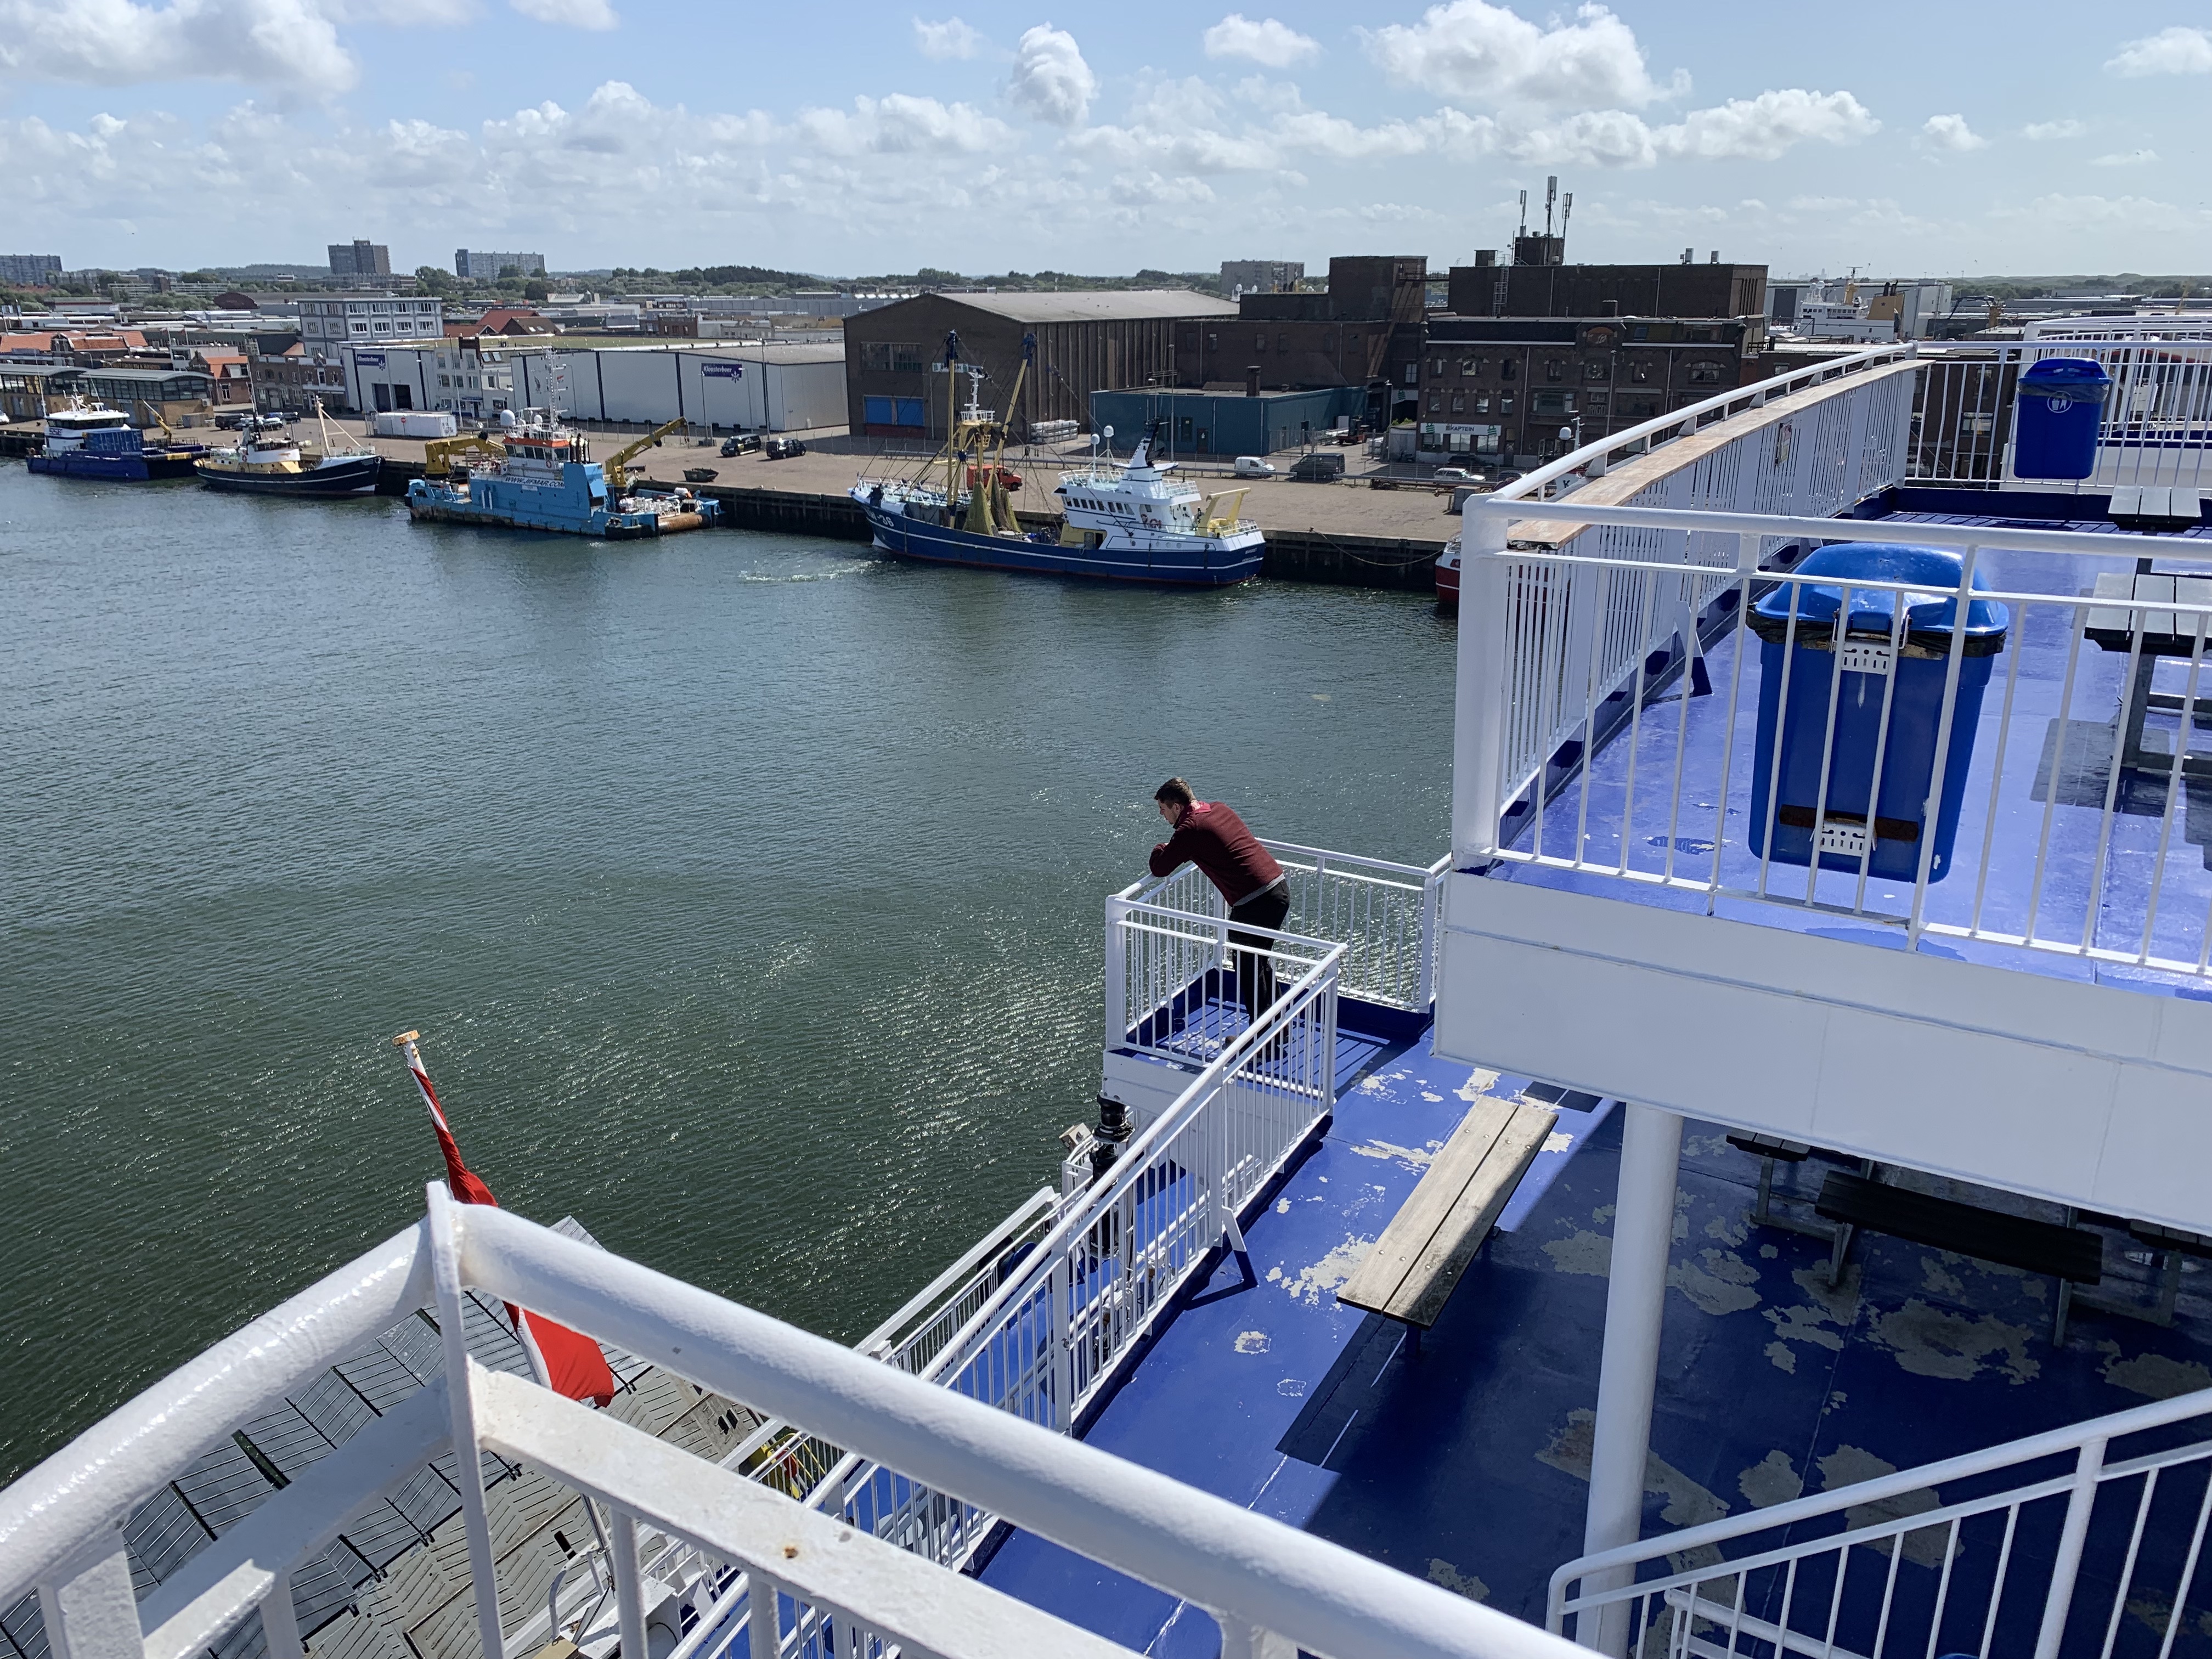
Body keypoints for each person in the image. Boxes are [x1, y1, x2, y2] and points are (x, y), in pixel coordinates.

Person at [1149, 778, 1289, 1022]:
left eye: (1163, 809)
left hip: (1254, 902)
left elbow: (1160, 867)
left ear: (1177, 807)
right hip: (1278, 888)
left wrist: (1159, 847)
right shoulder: (1219, 809)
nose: (1162, 814)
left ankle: (1262, 1035)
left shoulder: (1190, 829)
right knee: (1259, 962)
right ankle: (1277, 1029)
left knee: (1248, 969)